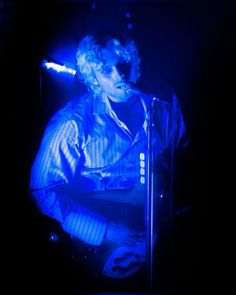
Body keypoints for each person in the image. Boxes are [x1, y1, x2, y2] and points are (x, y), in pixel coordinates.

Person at [29, 31, 189, 291]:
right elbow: (42, 191)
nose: (119, 75)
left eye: (123, 63)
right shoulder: (72, 124)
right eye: (106, 70)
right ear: (93, 79)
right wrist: (105, 230)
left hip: (152, 231)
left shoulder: (163, 105)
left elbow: (182, 156)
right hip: (97, 244)